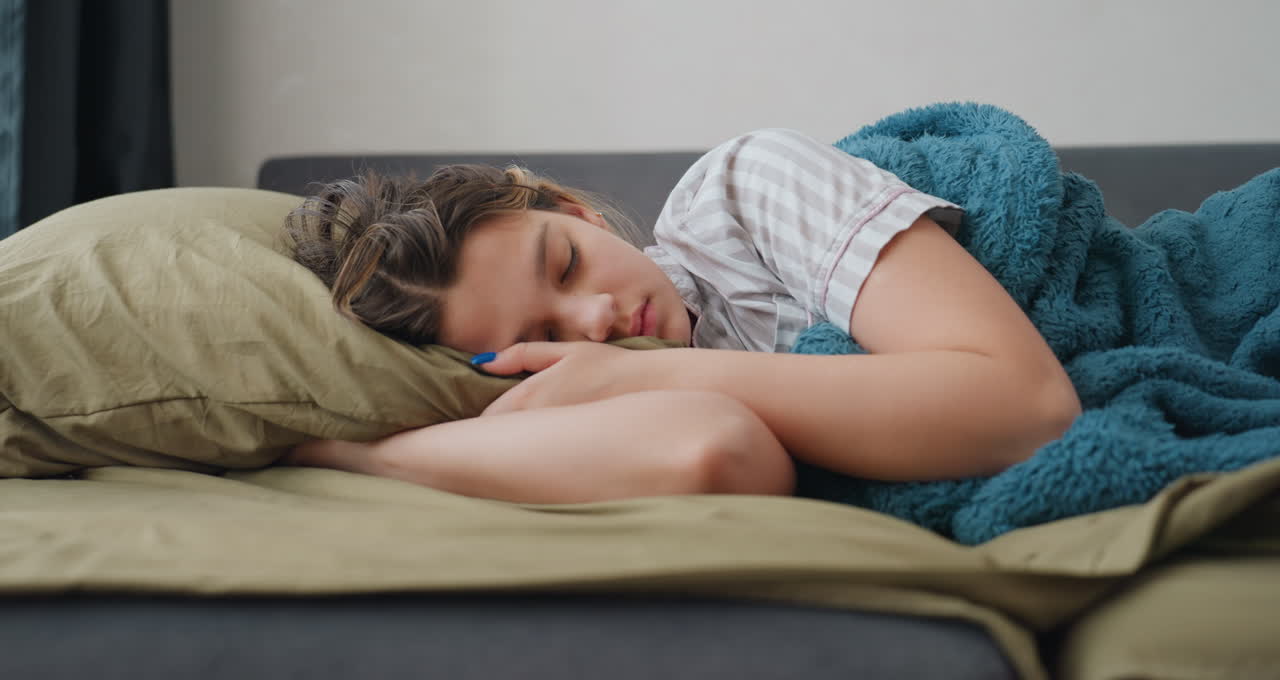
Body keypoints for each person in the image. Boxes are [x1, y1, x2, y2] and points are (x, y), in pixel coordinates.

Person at [281, 129, 1082, 503]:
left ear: (575, 212)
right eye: (543, 339)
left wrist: (651, 369)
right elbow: (713, 456)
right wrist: (370, 457)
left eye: (565, 264)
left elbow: (1029, 408)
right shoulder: (584, 396)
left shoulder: (745, 192)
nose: (595, 320)